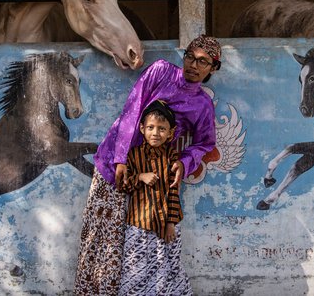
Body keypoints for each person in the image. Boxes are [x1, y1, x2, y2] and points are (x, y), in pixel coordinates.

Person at [74, 34, 222, 295]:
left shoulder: (202, 105)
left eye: (203, 62)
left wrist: (185, 163)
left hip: (154, 179)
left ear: (213, 68)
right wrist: (120, 159)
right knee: (105, 237)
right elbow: (132, 110)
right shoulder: (161, 71)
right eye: (190, 56)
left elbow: (205, 143)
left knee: (140, 242)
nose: (194, 65)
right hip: (115, 165)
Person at [118, 100, 192, 295]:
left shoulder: (171, 157)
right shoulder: (133, 155)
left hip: (164, 225)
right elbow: (123, 185)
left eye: (161, 128)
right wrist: (140, 177)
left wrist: (170, 223)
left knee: (166, 265)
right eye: (150, 127)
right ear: (142, 128)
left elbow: (174, 192)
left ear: (171, 132)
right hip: (138, 223)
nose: (155, 133)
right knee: (136, 267)